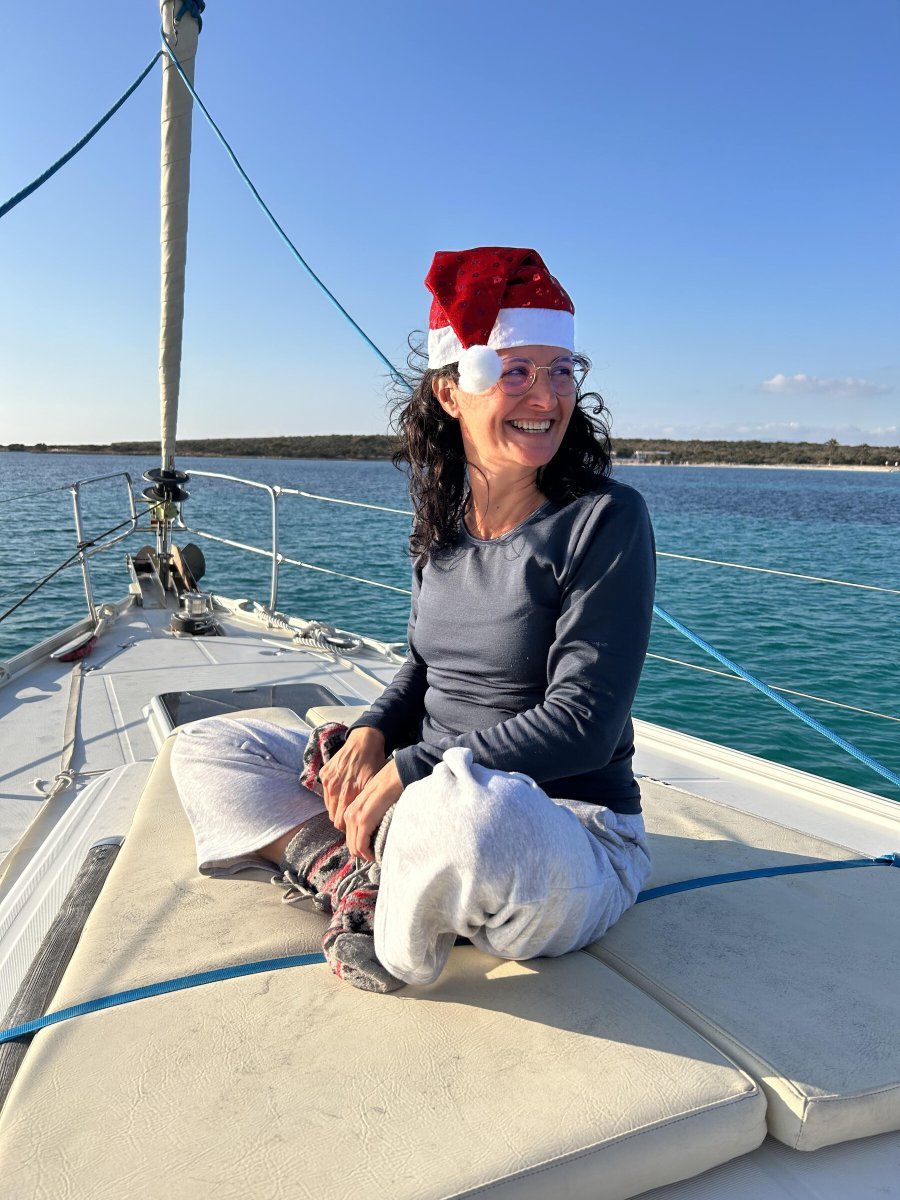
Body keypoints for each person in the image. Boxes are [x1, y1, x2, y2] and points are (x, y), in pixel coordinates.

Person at [171, 246, 655, 995]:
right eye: (515, 371)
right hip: (426, 793)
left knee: (466, 817)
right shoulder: (443, 523)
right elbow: (426, 667)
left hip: (559, 825)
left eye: (562, 370)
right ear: (451, 392)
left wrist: (413, 769)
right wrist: (372, 732)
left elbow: (586, 723)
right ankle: (350, 871)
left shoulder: (605, 519)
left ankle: (389, 876)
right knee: (210, 744)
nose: (547, 395)